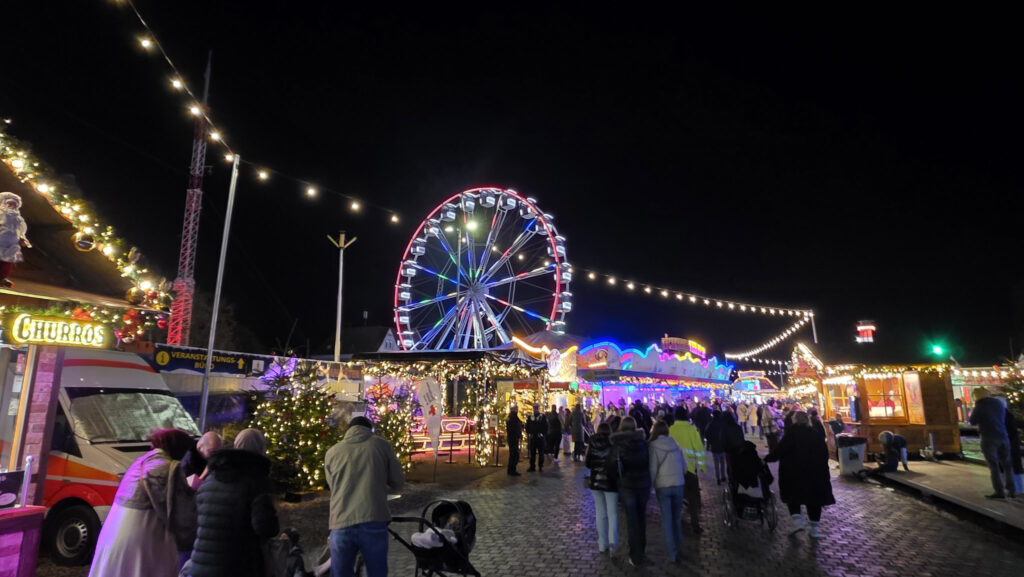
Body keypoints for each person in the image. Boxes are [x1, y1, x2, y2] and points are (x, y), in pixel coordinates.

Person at [88, 429, 197, 577]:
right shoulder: (169, 468)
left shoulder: (141, 462)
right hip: (144, 538)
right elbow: (183, 516)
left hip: (114, 533)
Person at [184, 428, 280, 577]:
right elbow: (266, 527)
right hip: (236, 566)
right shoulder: (256, 481)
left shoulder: (212, 477)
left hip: (200, 566)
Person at [324, 417, 404, 577]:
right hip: (373, 517)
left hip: (341, 521)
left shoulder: (332, 452)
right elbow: (397, 481)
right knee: (377, 572)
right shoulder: (381, 446)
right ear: (370, 429)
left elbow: (333, 486)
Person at [765, 412, 835, 539]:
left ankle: (797, 523)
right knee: (814, 499)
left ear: (795, 421)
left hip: (793, 472)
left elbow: (779, 451)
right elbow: (824, 454)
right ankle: (814, 530)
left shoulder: (790, 434)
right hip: (815, 473)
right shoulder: (815, 434)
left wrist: (767, 459)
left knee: (793, 496)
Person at [611, 417, 650, 567]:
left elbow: (614, 465)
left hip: (627, 485)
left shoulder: (618, 444)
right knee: (641, 519)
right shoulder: (643, 443)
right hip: (643, 484)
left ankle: (635, 555)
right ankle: (642, 550)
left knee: (632, 521)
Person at [649, 421, 686, 563]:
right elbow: (683, 466)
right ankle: (679, 547)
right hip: (678, 484)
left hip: (663, 486)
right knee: (676, 518)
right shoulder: (675, 445)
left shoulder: (653, 446)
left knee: (667, 520)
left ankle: (672, 553)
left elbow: (653, 469)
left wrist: (651, 485)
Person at [969, 388, 1015, 498]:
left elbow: (972, 421)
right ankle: (1011, 489)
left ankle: (999, 492)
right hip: (1003, 436)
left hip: (988, 437)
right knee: (1007, 465)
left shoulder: (979, 406)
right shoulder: (998, 403)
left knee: (994, 466)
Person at [669, 406, 706, 534]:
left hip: (674, 469)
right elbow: (699, 449)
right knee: (693, 498)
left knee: (675, 497)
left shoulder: (670, 430)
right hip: (690, 469)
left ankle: (675, 523)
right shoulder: (691, 430)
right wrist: (702, 466)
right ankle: (695, 524)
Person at [584, 422, 619, 554]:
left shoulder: (592, 442)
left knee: (600, 513)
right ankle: (613, 543)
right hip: (611, 482)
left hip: (596, 481)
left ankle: (602, 543)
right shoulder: (614, 442)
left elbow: (587, 463)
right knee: (612, 513)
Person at [705, 410, 727, 484]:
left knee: (716, 463)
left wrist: (710, 443)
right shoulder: (723, 423)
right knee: (723, 462)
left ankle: (718, 478)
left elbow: (707, 434)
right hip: (722, 445)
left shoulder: (710, 424)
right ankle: (723, 476)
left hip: (714, 446)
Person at [525, 404, 548, 472]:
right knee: (533, 452)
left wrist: (543, 434)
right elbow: (527, 426)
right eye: (535, 408)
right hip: (534, 437)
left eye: (536, 408)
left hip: (539, 437)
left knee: (540, 453)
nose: (535, 409)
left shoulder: (542, 416)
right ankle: (533, 466)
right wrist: (529, 432)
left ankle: (539, 466)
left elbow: (546, 426)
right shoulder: (531, 416)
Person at [506, 405, 523, 476]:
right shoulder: (514, 417)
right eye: (517, 408)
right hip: (514, 438)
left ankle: (510, 469)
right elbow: (516, 427)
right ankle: (512, 470)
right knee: (515, 454)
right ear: (515, 409)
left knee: (512, 454)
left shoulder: (509, 417)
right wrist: (519, 434)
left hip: (511, 437)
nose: (518, 410)